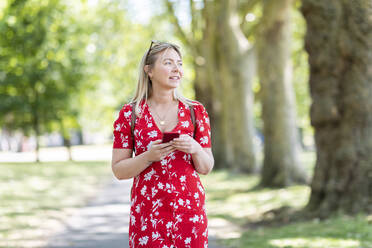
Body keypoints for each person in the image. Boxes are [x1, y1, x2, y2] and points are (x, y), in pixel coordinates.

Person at [111, 40, 214, 248]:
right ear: (149, 70)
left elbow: (206, 167)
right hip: (148, 215)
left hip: (189, 215)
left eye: (180, 63)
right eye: (168, 63)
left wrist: (194, 148)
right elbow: (119, 170)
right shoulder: (130, 114)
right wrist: (148, 157)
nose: (177, 69)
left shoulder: (195, 112)